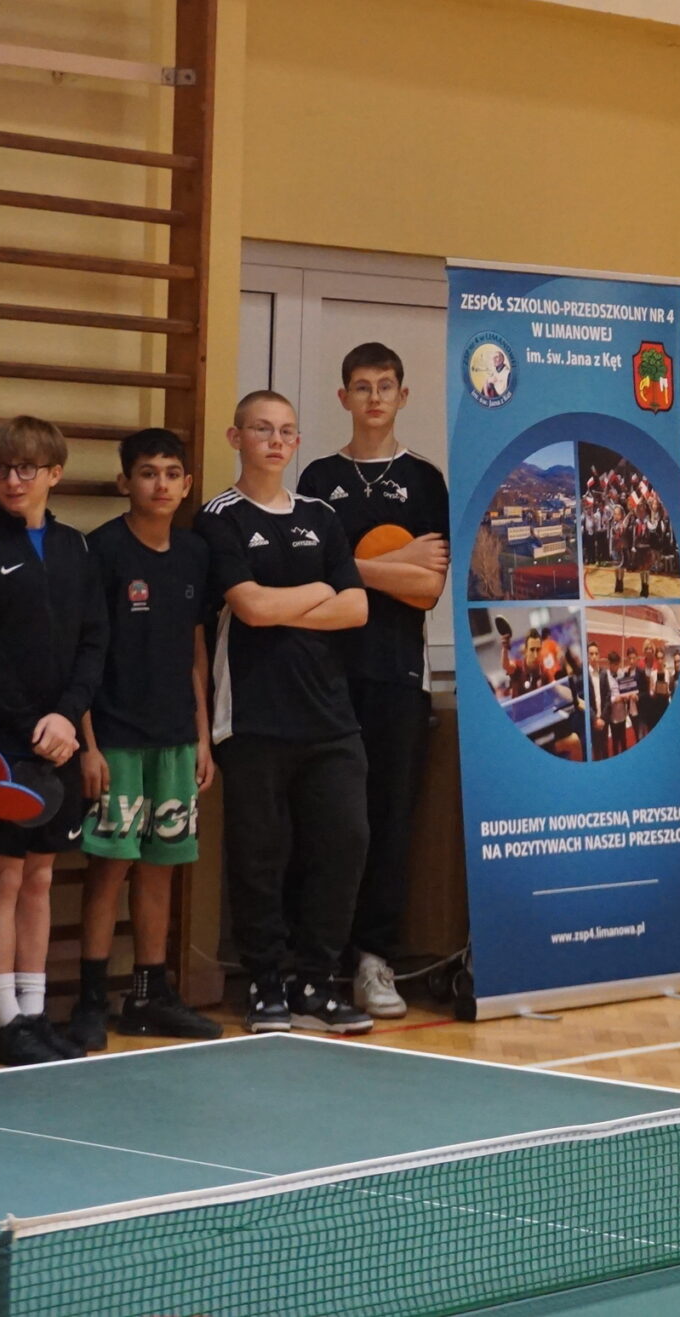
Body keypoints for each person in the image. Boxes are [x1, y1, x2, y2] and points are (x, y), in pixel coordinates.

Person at [200, 390, 375, 1034]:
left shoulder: (321, 516)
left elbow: (357, 609)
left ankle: (314, 982)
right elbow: (249, 608)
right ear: (236, 437)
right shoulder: (218, 517)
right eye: (262, 429)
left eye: (287, 431)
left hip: (330, 718)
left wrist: (288, 603)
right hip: (254, 717)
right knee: (259, 857)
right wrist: (320, 588)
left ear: (297, 442)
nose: (276, 441)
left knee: (345, 844)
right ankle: (266, 983)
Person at [295, 341, 449, 1020]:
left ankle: (373, 958)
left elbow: (429, 586)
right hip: (324, 676)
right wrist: (392, 561)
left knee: (388, 820)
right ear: (344, 398)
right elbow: (306, 572)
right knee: (327, 822)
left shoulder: (424, 480)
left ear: (403, 396)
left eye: (386, 386)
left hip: (396, 676)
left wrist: (350, 565)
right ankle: (315, 961)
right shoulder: (318, 476)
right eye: (362, 386)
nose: (375, 397)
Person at [0, 417, 107, 1065]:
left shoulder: (76, 547)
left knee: (41, 876)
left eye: (25, 469)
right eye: (0, 469)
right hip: (4, 742)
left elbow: (95, 640)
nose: (12, 480)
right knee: (2, 877)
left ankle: (35, 1012)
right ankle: (2, 1020)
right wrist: (30, 727)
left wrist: (67, 718)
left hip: (61, 739)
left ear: (54, 474)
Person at [76, 428, 222, 1049]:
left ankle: (147, 995)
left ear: (186, 485)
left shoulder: (194, 554)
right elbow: (83, 653)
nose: (160, 484)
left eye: (171, 473)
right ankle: (89, 998)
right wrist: (87, 744)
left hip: (175, 739)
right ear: (125, 482)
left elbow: (195, 649)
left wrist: (202, 738)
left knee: (161, 868)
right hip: (115, 737)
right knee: (110, 867)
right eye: (147, 473)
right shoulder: (102, 550)